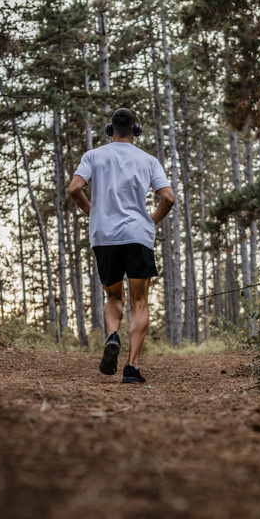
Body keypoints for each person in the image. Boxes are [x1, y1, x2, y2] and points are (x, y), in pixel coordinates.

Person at [68, 107, 176, 383]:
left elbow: (74, 188)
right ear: (136, 132)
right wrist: (150, 220)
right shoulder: (149, 160)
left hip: (105, 237)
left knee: (114, 297)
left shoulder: (93, 156)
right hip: (137, 236)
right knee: (139, 302)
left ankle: (112, 335)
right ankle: (132, 368)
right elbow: (169, 198)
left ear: (109, 131)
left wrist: (93, 212)